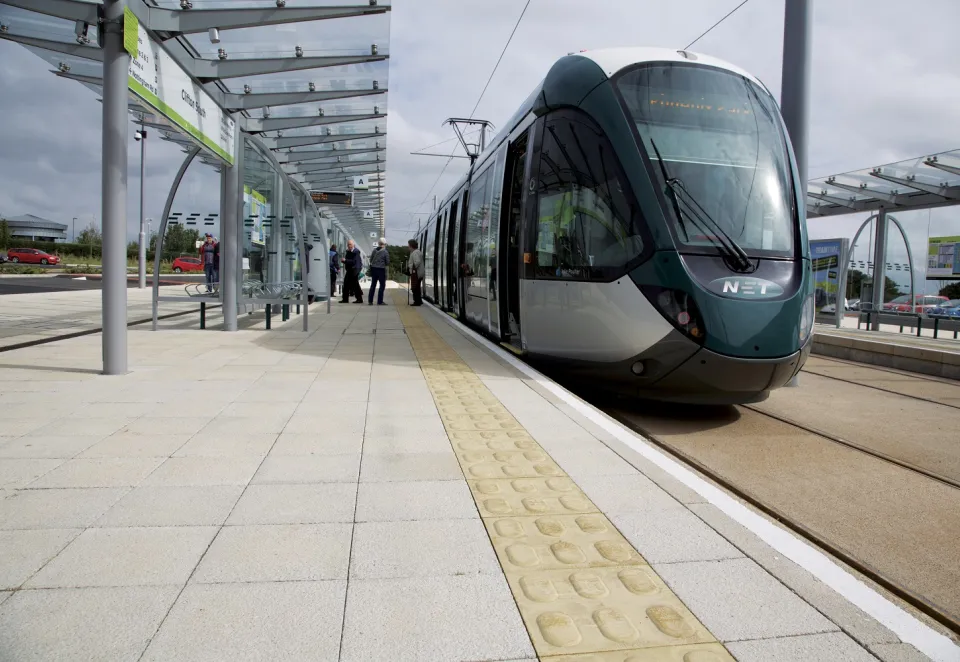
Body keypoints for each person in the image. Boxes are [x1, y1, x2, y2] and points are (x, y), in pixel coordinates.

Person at [340, 239, 364, 304]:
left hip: (355, 270)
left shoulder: (356, 252)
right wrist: (344, 261)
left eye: (350, 244)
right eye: (348, 244)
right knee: (347, 284)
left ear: (353, 245)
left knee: (354, 285)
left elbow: (354, 262)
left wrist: (345, 260)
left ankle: (359, 299)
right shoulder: (348, 252)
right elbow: (348, 261)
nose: (349, 246)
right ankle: (345, 299)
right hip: (350, 270)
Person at [368, 238, 389, 306]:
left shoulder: (374, 250)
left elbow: (371, 260)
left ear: (379, 243)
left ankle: (370, 301)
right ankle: (379, 301)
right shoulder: (385, 252)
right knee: (382, 285)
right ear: (384, 244)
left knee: (373, 285)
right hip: (381, 270)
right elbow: (387, 262)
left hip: (374, 269)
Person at [407, 238, 424, 306]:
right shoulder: (417, 252)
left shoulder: (415, 253)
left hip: (416, 273)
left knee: (415, 288)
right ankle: (419, 300)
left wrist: (411, 268)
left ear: (411, 246)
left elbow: (417, 262)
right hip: (418, 272)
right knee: (417, 287)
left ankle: (417, 301)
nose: (408, 247)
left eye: (408, 245)